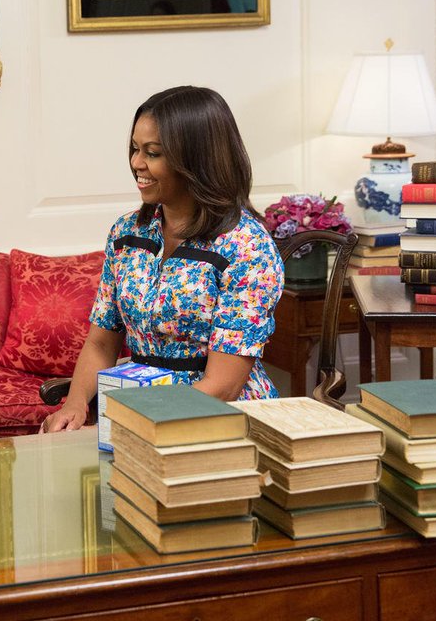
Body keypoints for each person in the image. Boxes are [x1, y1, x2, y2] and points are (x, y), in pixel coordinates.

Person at [41, 86, 283, 433]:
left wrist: (136, 422)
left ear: (196, 161)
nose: (137, 164)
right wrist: (76, 405)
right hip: (138, 411)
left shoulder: (247, 246)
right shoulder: (127, 234)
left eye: (152, 153)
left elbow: (224, 386)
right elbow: (101, 341)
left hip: (222, 419)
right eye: (135, 149)